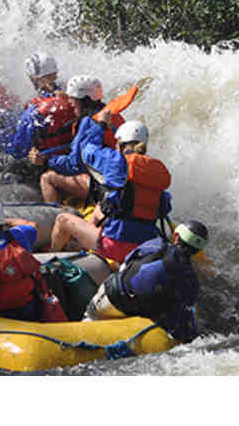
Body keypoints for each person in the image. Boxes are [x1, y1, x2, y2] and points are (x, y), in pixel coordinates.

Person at [48, 118, 172, 265]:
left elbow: (87, 151)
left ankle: (49, 258)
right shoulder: (155, 173)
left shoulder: (117, 161)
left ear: (121, 144)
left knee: (63, 219)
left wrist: (101, 125)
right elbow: (164, 207)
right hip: (145, 246)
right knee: (100, 209)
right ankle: (81, 245)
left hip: (116, 246)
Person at [84, 220, 209, 343]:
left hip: (110, 297)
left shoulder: (157, 244)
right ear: (197, 251)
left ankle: (86, 321)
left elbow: (126, 263)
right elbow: (181, 317)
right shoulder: (191, 282)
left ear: (176, 237)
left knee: (91, 316)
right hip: (137, 316)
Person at [28, 75, 124, 204]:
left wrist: (46, 161)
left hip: (106, 185)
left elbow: (75, 164)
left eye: (72, 98)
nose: (70, 102)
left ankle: (59, 215)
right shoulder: (108, 112)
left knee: (47, 177)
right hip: (119, 178)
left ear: (83, 100)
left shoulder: (89, 122)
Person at [0, 51, 76, 162]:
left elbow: (18, 150)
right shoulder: (75, 95)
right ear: (56, 73)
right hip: (73, 155)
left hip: (46, 162)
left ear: (34, 78)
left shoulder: (36, 111)